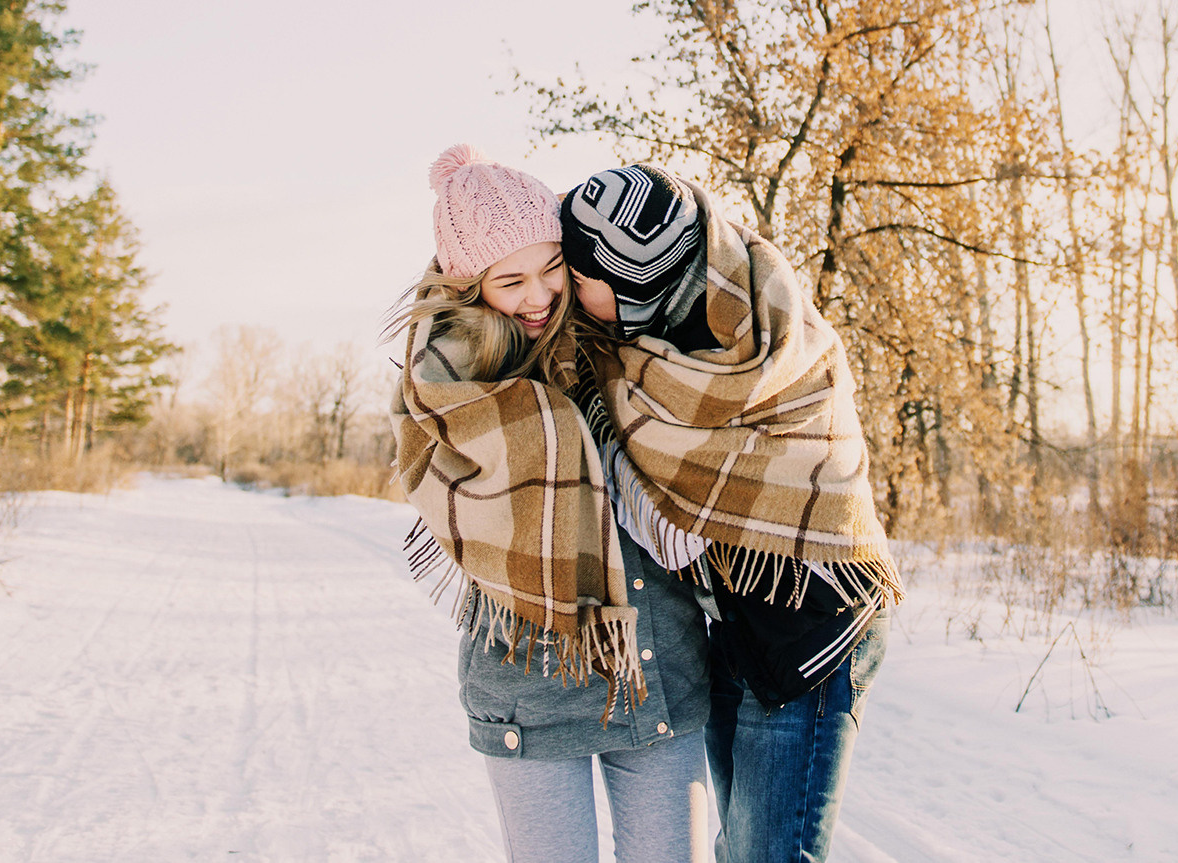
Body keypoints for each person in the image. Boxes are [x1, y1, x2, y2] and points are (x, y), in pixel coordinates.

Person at [557, 163, 903, 863]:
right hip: (736, 623)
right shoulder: (650, 345)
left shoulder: (766, 344)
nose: (565, 284)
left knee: (769, 854)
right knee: (739, 848)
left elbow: (678, 532)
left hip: (813, 632)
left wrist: (610, 447)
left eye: (579, 271)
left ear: (631, 282)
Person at [387, 145, 712, 863]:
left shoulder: (617, 334)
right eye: (510, 280)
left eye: (551, 268)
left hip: (655, 667)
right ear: (467, 284)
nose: (539, 296)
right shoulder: (443, 388)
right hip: (529, 676)